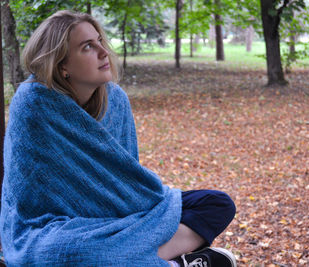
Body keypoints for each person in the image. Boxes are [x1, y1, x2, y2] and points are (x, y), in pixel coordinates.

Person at [0, 10, 236, 267]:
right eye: (87, 47)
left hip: (122, 219)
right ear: (62, 64)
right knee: (65, 252)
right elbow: (27, 202)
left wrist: (128, 221)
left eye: (100, 40)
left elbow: (124, 180)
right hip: (59, 227)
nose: (104, 52)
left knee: (217, 204)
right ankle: (175, 263)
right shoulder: (33, 104)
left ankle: (139, 258)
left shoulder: (115, 100)